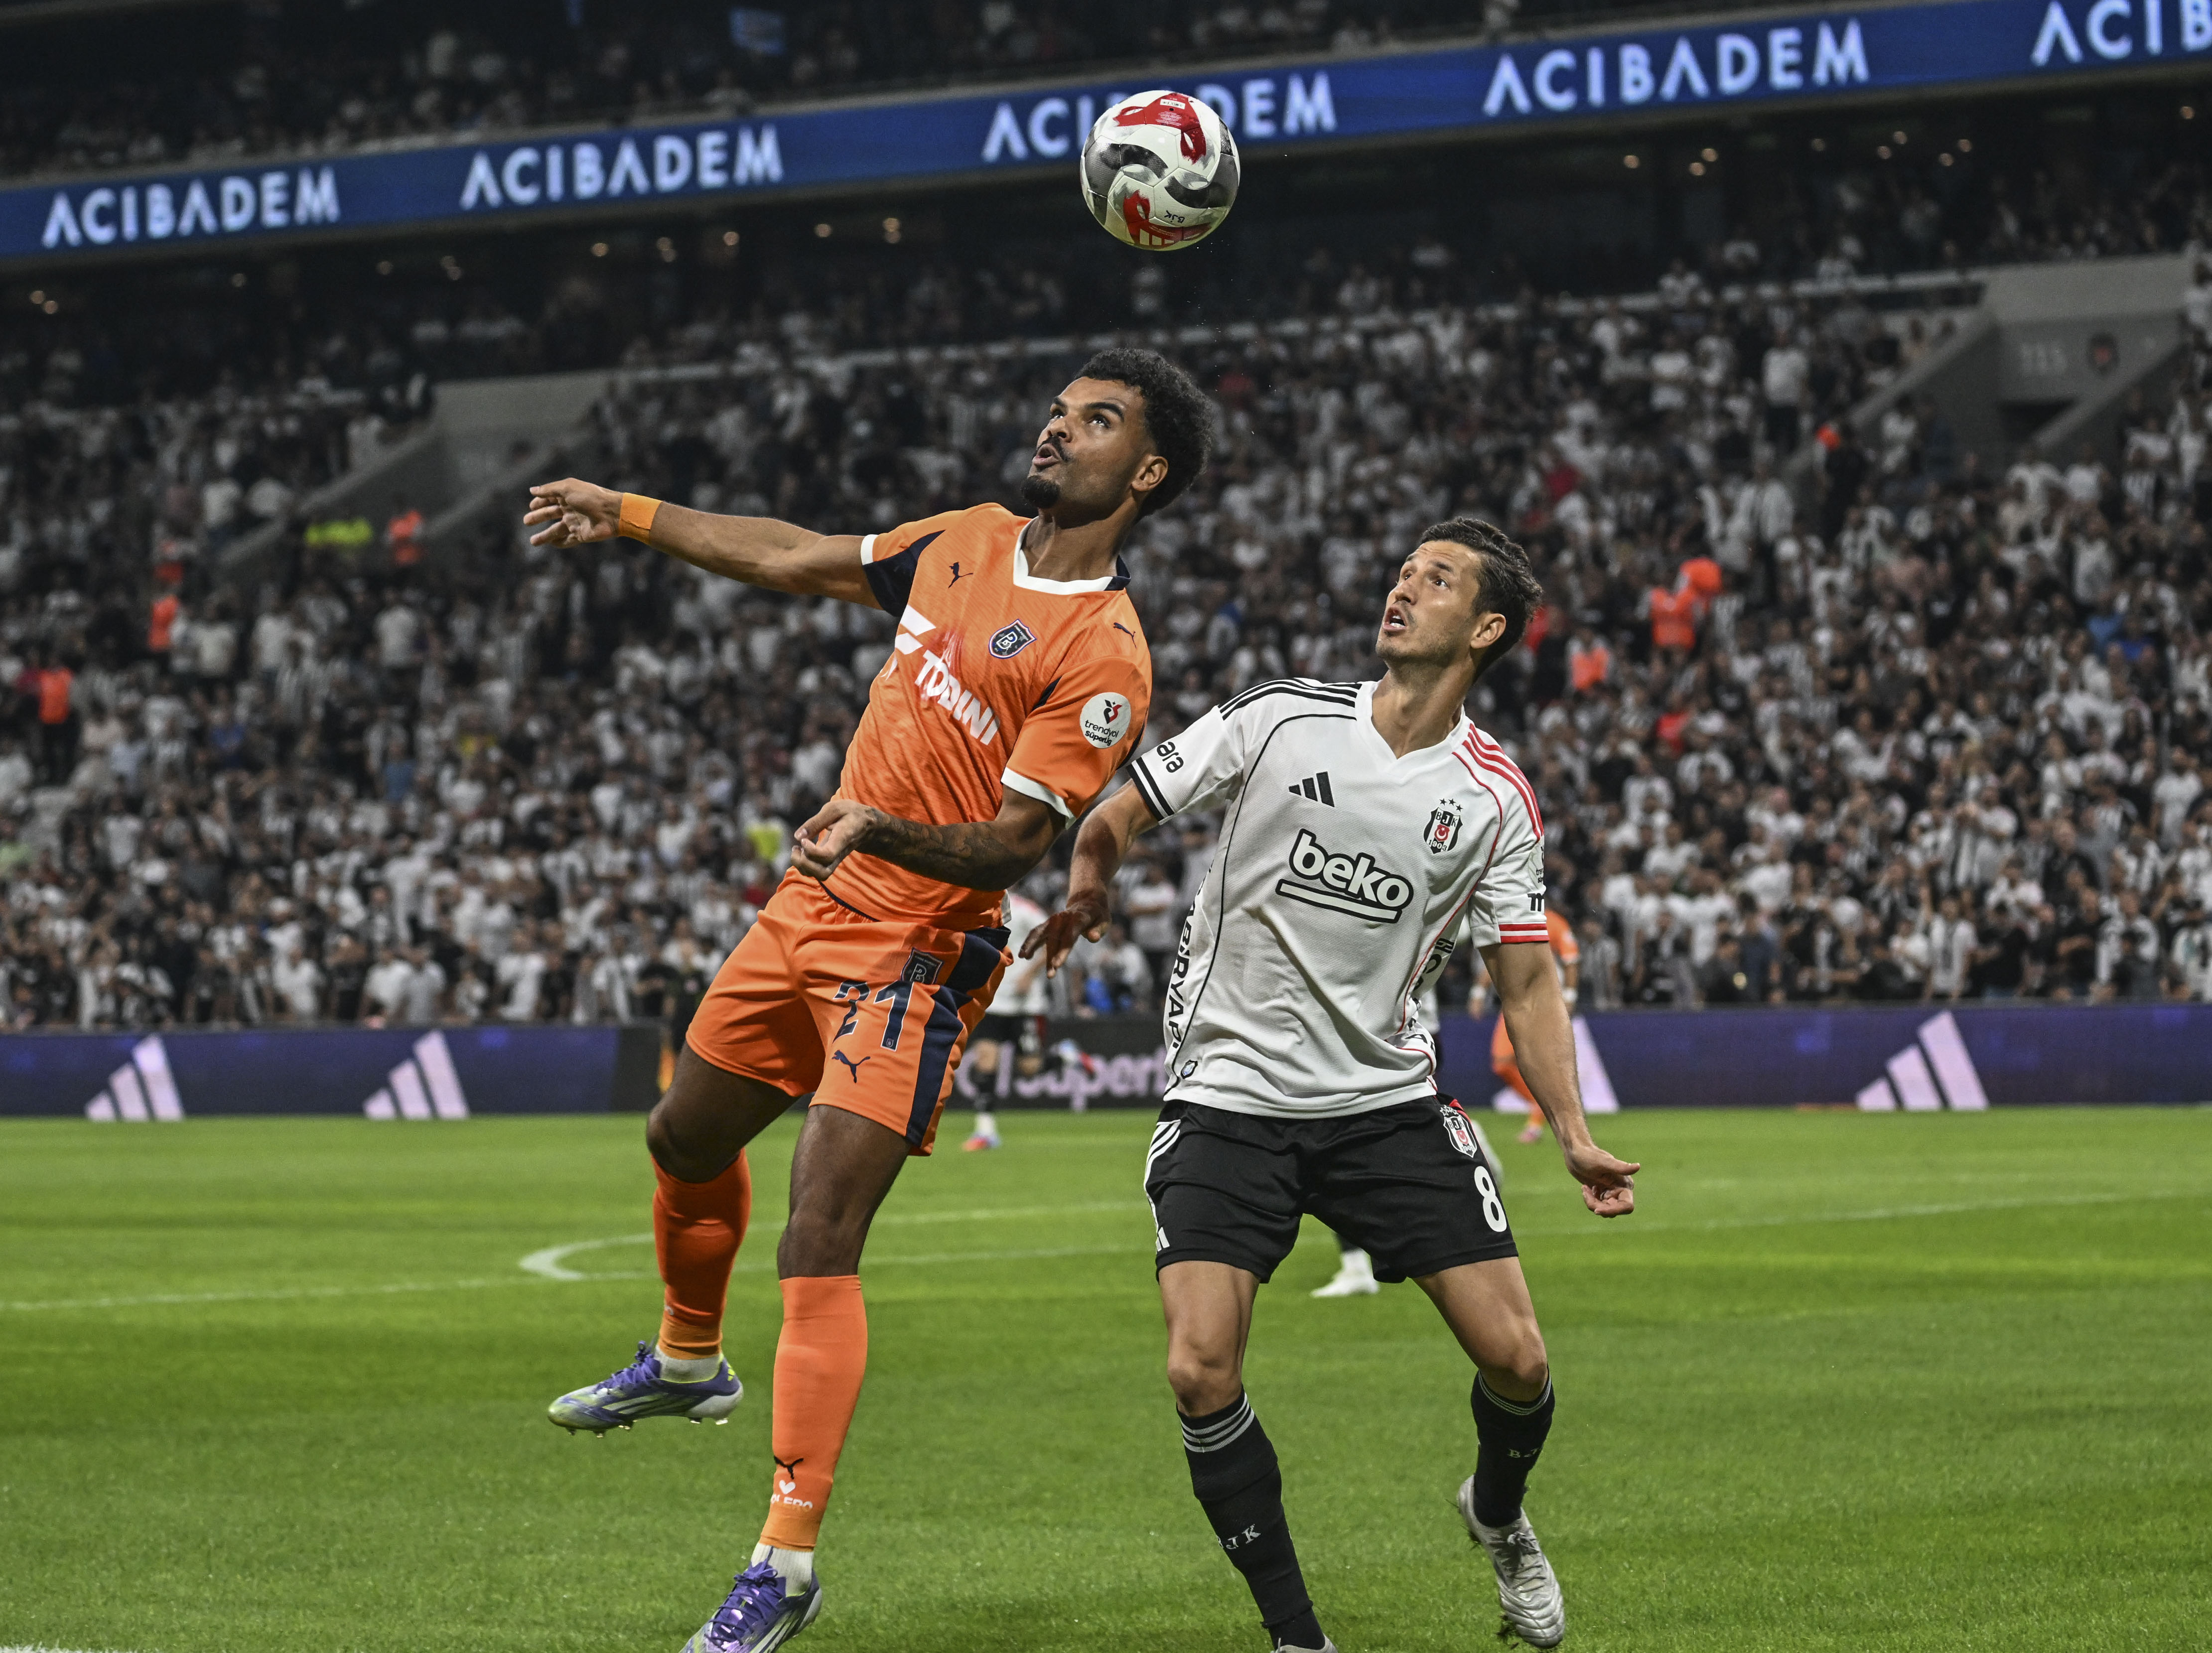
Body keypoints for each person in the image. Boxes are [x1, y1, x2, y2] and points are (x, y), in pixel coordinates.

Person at [522, 347, 1213, 1653]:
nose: (1057, 432)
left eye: (1096, 421)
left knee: (818, 1230)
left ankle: (782, 1562)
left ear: (1151, 470)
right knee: (681, 1138)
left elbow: (1015, 846)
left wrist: (881, 827)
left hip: (921, 948)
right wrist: (628, 511)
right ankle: (685, 1361)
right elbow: (793, 557)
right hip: (811, 910)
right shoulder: (960, 537)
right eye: (1060, 412)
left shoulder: (1105, 648)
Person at [1039, 519, 1640, 1653]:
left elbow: (1525, 975)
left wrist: (1573, 1133)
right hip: (1229, 1092)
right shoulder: (1281, 719)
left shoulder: (1496, 797)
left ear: (1489, 628)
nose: (1404, 584)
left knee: (1519, 1362)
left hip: (1382, 1104)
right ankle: (1298, 1639)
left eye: (1438, 578)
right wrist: (1090, 872)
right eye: (1404, 566)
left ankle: (1498, 1516)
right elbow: (1125, 805)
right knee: (1198, 1366)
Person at [1467, 907, 1580, 1144]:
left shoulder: (1553, 922)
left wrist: (1569, 997)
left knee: (1541, 1063)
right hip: (1514, 1001)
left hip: (1544, 1001)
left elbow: (1571, 960)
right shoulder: (1509, 919)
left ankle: (1536, 1125)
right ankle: (1541, 1104)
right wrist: (1479, 992)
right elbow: (1499, 961)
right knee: (1501, 1064)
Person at [955, 886, 1050, 1150]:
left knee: (1030, 1069)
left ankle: (1065, 1057)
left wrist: (1030, 975)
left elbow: (1053, 938)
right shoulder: (979, 906)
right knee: (986, 1062)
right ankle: (986, 1131)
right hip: (992, 1001)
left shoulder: (1026, 909)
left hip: (1025, 1004)